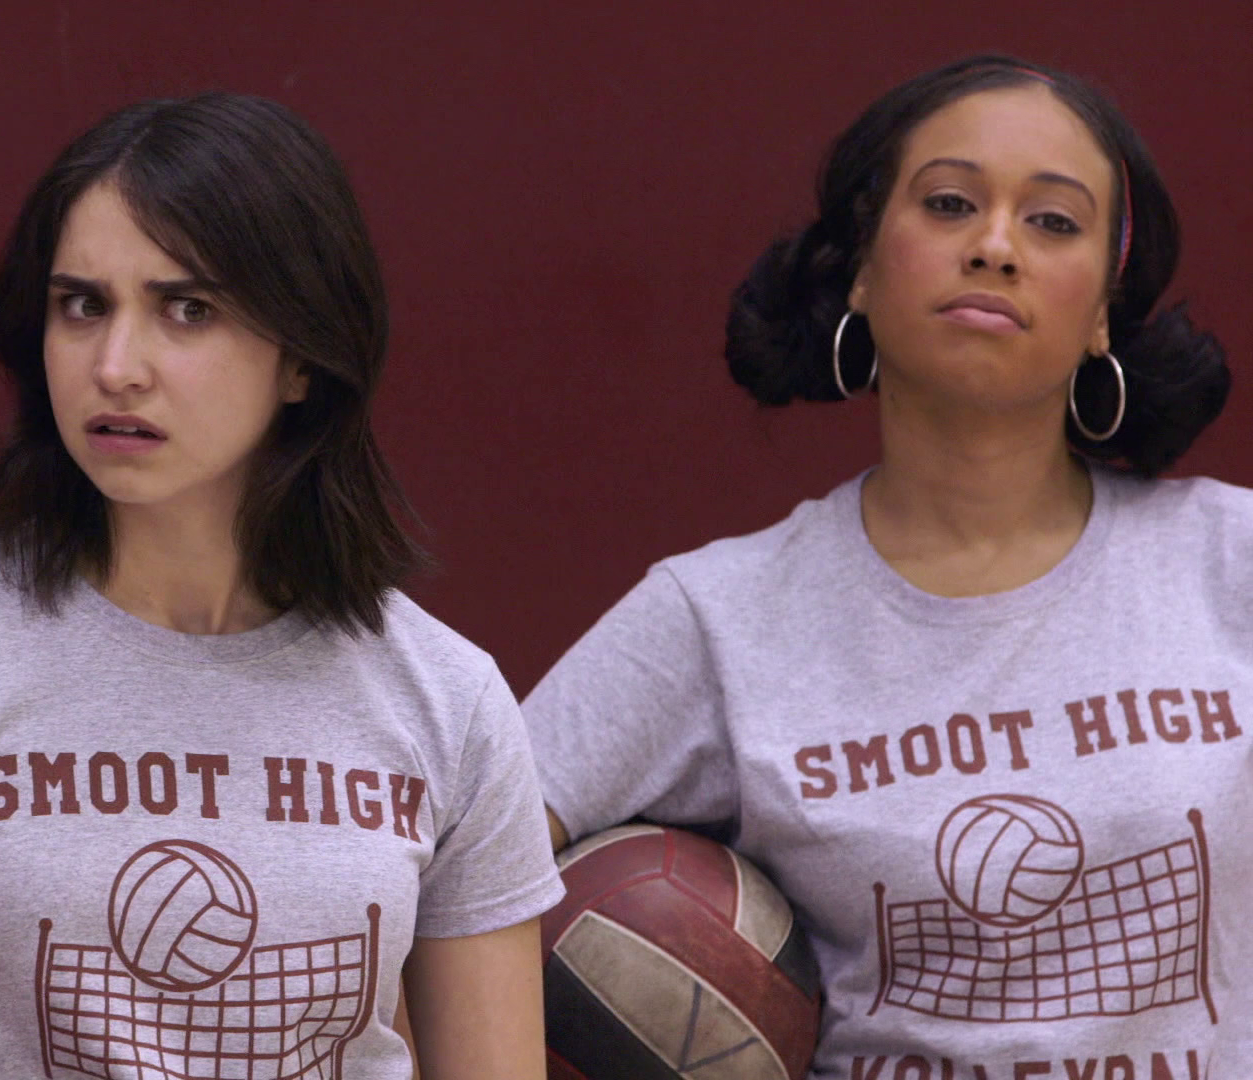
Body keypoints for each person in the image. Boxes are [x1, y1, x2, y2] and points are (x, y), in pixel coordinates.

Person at [0, 92, 562, 1080]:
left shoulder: (448, 698)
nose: (116, 367)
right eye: (83, 305)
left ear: (302, 357)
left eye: (186, 309)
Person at [524, 55, 1243, 1076]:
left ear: (1101, 312)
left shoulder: (1229, 562)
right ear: (862, 267)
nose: (995, 246)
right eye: (949, 204)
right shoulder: (719, 616)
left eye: (1053, 221)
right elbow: (456, 878)